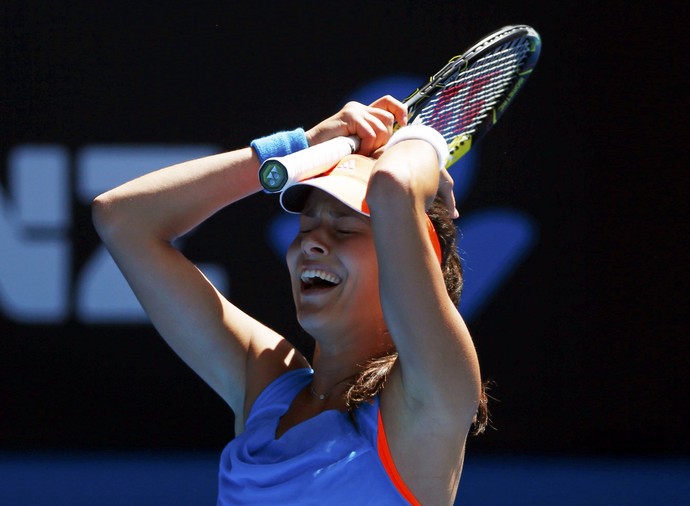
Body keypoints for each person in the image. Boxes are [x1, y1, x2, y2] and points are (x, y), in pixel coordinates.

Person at [92, 95, 487, 505]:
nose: (311, 242)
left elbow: (393, 187)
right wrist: (299, 146)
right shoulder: (268, 387)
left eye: (345, 229)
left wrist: (421, 139)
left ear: (412, 254)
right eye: (305, 226)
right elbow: (121, 218)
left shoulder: (433, 394)